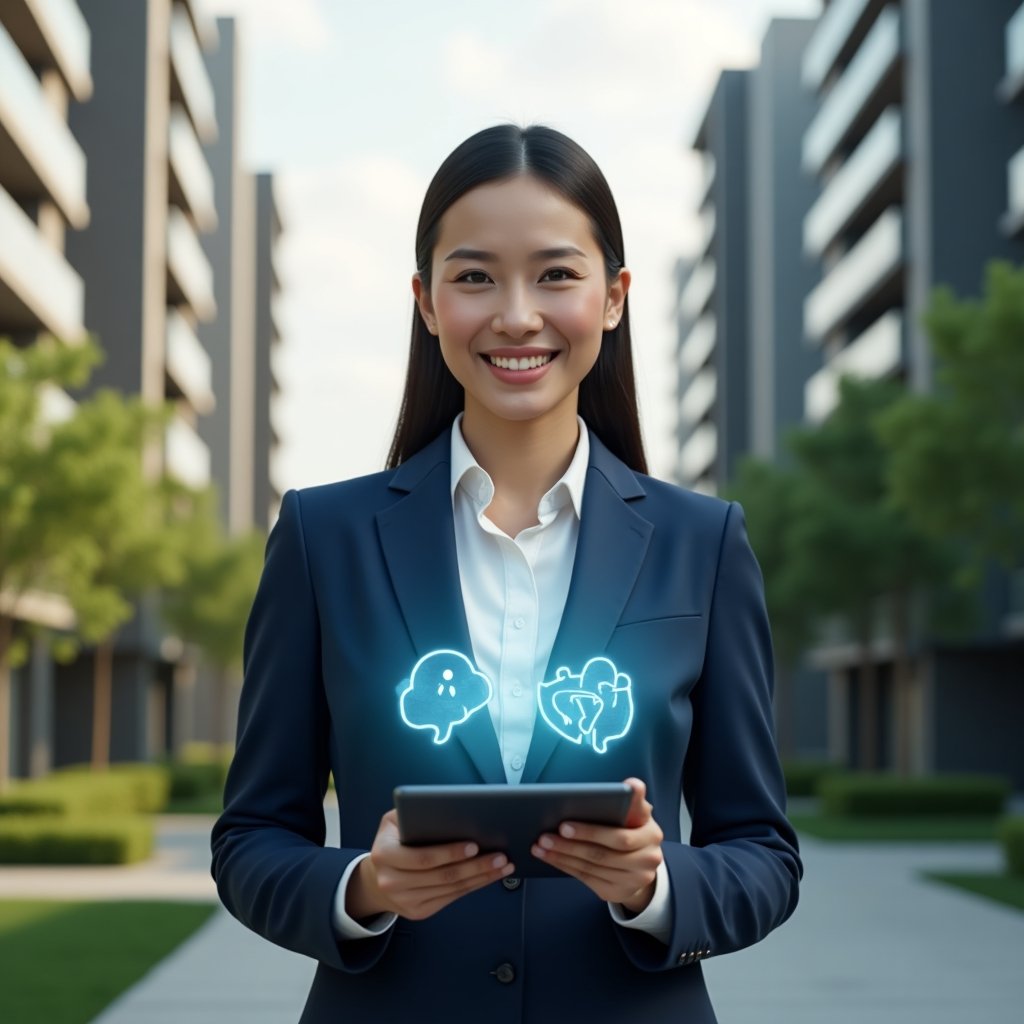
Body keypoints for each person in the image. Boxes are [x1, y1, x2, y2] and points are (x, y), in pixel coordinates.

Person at [211, 124, 801, 1023]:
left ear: (613, 297)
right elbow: (251, 839)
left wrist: (655, 884)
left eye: (558, 274)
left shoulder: (703, 542)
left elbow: (762, 852)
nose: (516, 315)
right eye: (475, 276)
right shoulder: (322, 536)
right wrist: (364, 888)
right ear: (425, 299)